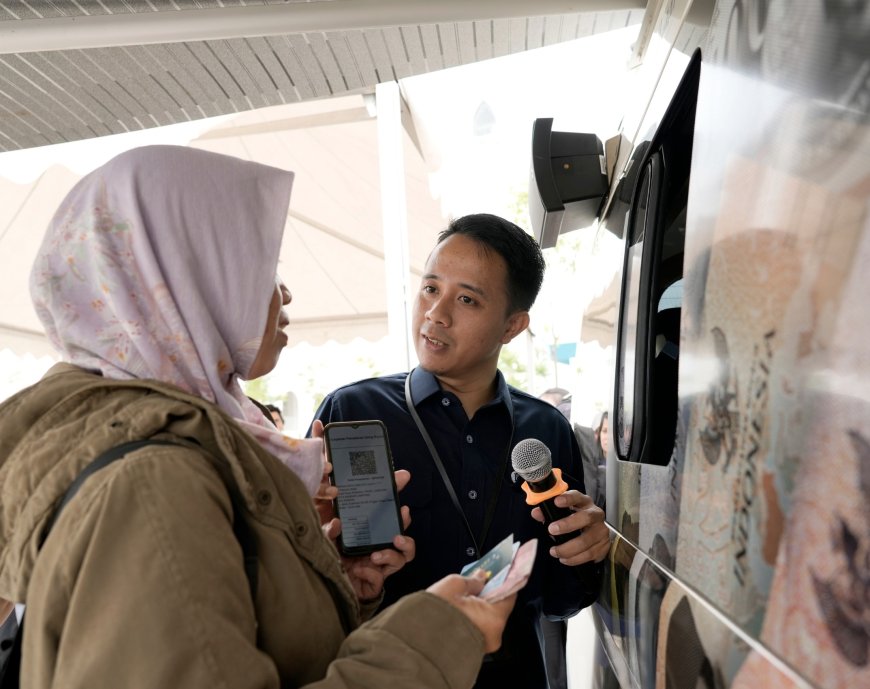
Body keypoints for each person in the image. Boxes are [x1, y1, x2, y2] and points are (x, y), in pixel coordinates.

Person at [0, 146, 516, 689]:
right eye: (262, 266)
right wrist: (433, 637)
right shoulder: (154, 482)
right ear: (186, 279)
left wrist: (319, 587)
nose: (284, 291)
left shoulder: (190, 440)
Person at [310, 213, 611, 689]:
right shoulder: (351, 411)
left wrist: (586, 553)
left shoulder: (546, 429)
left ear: (513, 325)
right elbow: (310, 587)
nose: (437, 312)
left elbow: (561, 603)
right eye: (431, 288)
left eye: (466, 298)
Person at [574, 411, 608, 509]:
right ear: (598, 434)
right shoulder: (591, 463)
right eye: (605, 431)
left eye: (612, 431)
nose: (608, 437)